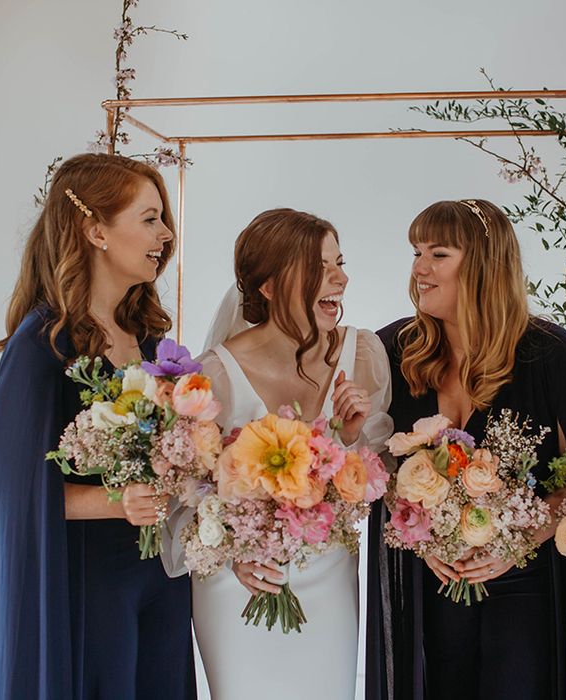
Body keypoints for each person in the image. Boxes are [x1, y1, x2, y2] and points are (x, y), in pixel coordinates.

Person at [367, 199, 566, 700]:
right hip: (430, 581)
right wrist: (419, 533)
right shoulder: (393, 350)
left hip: (526, 585)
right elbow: (374, 466)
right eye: (416, 252)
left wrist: (516, 540)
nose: (419, 268)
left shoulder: (552, 355)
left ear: (482, 262)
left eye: (438, 254)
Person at [0, 153, 195, 700]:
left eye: (162, 218)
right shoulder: (41, 344)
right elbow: (10, 494)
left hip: (161, 574)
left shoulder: (149, 341)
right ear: (96, 230)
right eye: (149, 219)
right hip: (85, 581)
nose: (166, 234)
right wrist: (118, 500)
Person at [171, 208, 393, 699]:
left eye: (340, 262)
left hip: (329, 578)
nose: (341, 278)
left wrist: (352, 438)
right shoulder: (217, 373)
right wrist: (233, 558)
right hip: (238, 585)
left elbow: (379, 483)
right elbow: (186, 493)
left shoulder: (363, 356)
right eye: (321, 267)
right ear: (269, 286)